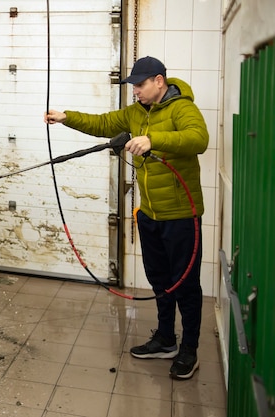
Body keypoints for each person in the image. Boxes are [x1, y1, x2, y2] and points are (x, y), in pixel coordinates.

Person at [44, 56, 208, 380]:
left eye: (140, 85)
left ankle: (189, 349)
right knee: (160, 280)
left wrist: (153, 140)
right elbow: (103, 123)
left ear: (159, 81)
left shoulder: (182, 108)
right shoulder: (134, 113)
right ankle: (165, 339)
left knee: (186, 285)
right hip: (149, 213)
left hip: (181, 215)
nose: (135, 91)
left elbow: (198, 139)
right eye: (133, 86)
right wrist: (66, 117)